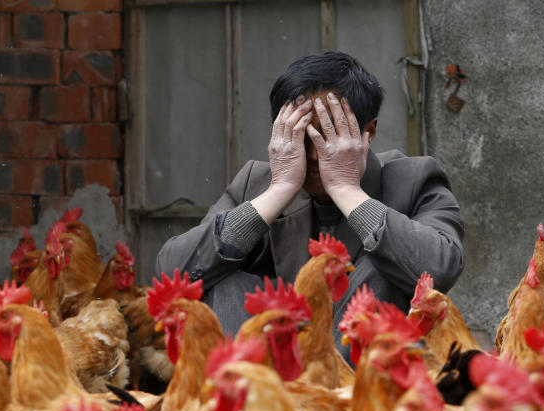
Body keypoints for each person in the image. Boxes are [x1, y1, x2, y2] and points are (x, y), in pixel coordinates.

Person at [155, 51, 464, 348]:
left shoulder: (413, 179)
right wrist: (278, 191)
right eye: (302, 138)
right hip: (271, 371)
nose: (316, 156)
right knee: (219, 275)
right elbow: (173, 273)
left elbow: (439, 271)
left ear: (369, 132)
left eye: (329, 136)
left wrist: (347, 190)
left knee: (383, 267)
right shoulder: (256, 182)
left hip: (368, 380)